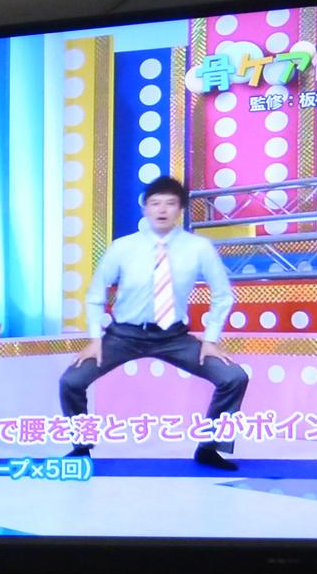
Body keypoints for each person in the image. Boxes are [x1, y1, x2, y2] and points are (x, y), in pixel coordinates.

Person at [59, 175, 248, 470]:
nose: (162, 210)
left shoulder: (198, 248)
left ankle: (210, 448)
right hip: (123, 335)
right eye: (155, 203)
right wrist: (96, 339)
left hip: (174, 337)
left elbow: (222, 295)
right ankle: (81, 447)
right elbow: (96, 294)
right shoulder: (122, 247)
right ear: (145, 207)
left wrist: (210, 340)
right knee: (71, 381)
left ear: (180, 209)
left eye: (170, 203)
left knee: (234, 377)